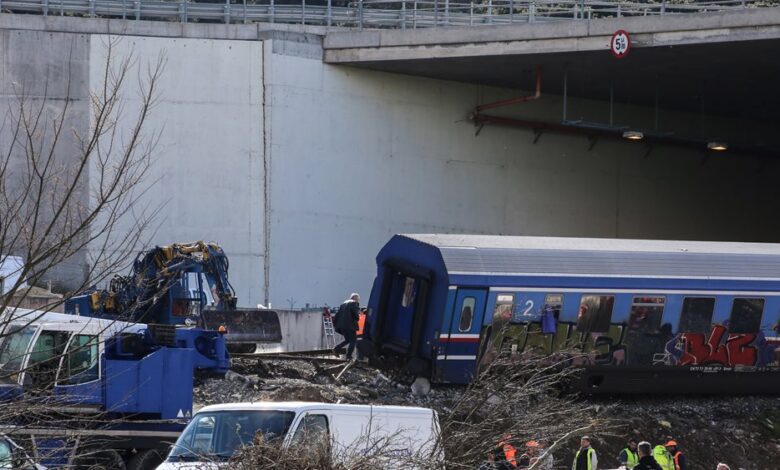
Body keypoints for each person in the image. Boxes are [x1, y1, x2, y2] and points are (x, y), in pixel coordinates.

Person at [333, 293, 360, 360]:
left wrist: (336, 325)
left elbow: (337, 315)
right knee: (353, 341)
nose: (358, 301)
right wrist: (357, 318)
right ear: (355, 298)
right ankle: (349, 356)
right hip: (350, 325)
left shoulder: (343, 304)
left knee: (348, 340)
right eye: (358, 299)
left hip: (342, 326)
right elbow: (356, 314)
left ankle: (336, 349)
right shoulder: (354, 303)